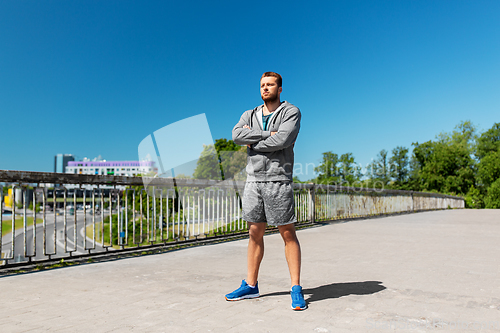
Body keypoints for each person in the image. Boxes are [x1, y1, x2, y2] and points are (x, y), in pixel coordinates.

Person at [226, 72, 306, 310]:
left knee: (287, 233)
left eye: (270, 85)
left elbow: (283, 140)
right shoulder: (249, 114)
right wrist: (265, 135)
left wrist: (254, 142)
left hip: (278, 179)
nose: (265, 88)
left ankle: (296, 288)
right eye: (262, 85)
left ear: (280, 89)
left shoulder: (291, 112)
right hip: (253, 181)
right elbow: (236, 135)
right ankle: (251, 285)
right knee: (254, 232)